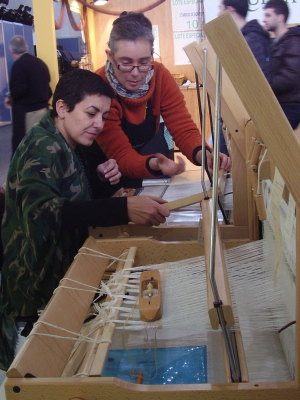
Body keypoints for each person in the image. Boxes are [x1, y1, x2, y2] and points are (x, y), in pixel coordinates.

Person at [0, 68, 170, 371]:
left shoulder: (67, 142)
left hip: (58, 272)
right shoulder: (43, 146)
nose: (99, 124)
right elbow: (45, 213)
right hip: (38, 285)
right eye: (92, 113)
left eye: (103, 116)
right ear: (63, 108)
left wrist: (100, 181)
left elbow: (73, 199)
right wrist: (124, 209)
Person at [88, 12, 231, 188]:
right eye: (125, 63)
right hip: (108, 168)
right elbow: (121, 155)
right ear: (110, 56)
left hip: (145, 157)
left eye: (144, 62)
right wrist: (154, 164)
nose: (135, 72)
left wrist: (205, 155)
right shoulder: (99, 86)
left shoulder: (160, 75)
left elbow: (183, 128)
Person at [4, 35, 52, 156]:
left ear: (11, 51)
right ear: (26, 47)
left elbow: (19, 89)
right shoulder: (40, 63)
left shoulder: (18, 65)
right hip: (44, 111)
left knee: (27, 149)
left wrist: (10, 97)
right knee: (42, 145)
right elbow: (49, 90)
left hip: (28, 115)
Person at [263, 0, 300, 130]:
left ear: (280, 17)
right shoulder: (274, 43)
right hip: (278, 105)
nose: (264, 19)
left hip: (290, 106)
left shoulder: (294, 40)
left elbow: (291, 75)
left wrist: (266, 86)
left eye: (268, 15)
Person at [218, 0, 271, 81]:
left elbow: (260, 78)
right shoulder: (244, 37)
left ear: (229, 10)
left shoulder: (253, 38)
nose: (218, 14)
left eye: (220, 9)